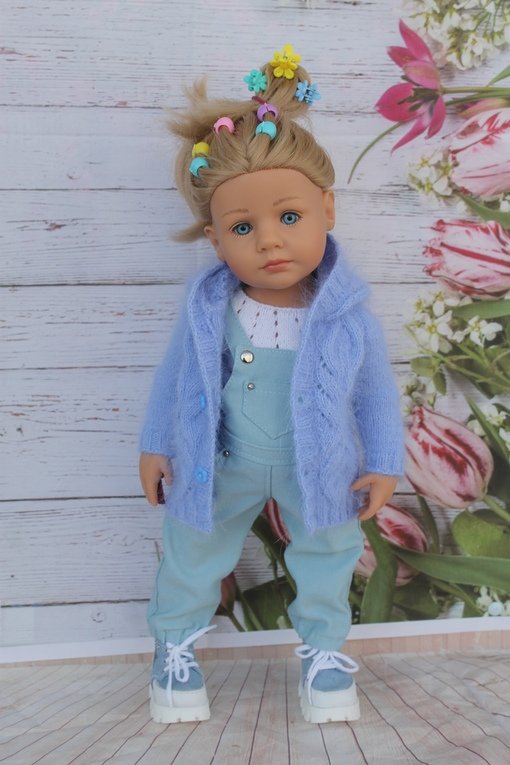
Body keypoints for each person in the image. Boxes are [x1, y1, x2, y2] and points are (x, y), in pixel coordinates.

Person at [139, 44, 404, 725]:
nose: (269, 241)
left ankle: (325, 655)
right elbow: (176, 376)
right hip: (221, 459)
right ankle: (174, 650)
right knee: (193, 550)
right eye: (242, 227)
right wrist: (156, 443)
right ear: (214, 238)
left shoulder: (346, 315)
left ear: (327, 209)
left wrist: (384, 460)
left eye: (289, 217)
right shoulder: (210, 310)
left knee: (328, 553)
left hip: (320, 465)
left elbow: (376, 393)